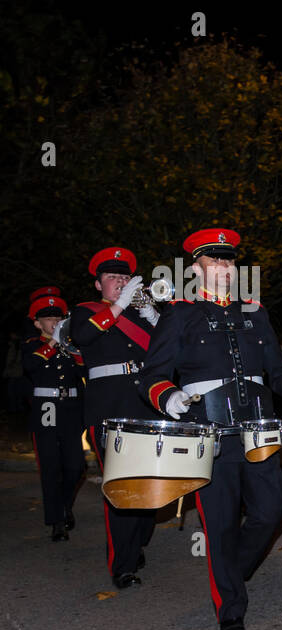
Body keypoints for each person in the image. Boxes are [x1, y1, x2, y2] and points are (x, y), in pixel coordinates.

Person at [140, 228, 282, 630]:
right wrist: (168, 396)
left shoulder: (254, 312)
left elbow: (277, 371)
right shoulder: (180, 313)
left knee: (271, 511)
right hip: (208, 431)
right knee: (220, 522)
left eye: (229, 261)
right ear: (195, 268)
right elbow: (151, 375)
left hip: (257, 428)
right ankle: (230, 608)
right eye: (214, 261)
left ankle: (229, 574)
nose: (224, 267)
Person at [70, 247, 162, 588]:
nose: (121, 282)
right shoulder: (84, 312)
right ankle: (122, 564)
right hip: (108, 408)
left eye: (125, 277)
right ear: (98, 285)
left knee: (150, 482)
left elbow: (169, 351)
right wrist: (121, 307)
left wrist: (152, 315)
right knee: (120, 485)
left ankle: (136, 542)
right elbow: (83, 338)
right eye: (113, 278)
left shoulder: (142, 315)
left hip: (145, 405)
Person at [23, 295, 85, 541]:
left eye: (58, 317)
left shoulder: (71, 343)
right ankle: (57, 520)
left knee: (75, 466)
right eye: (49, 318)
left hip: (71, 407)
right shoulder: (31, 343)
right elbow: (31, 366)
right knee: (50, 467)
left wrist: (70, 346)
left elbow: (84, 369)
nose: (55, 322)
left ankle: (64, 505)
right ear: (38, 323)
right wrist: (53, 343)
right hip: (45, 408)